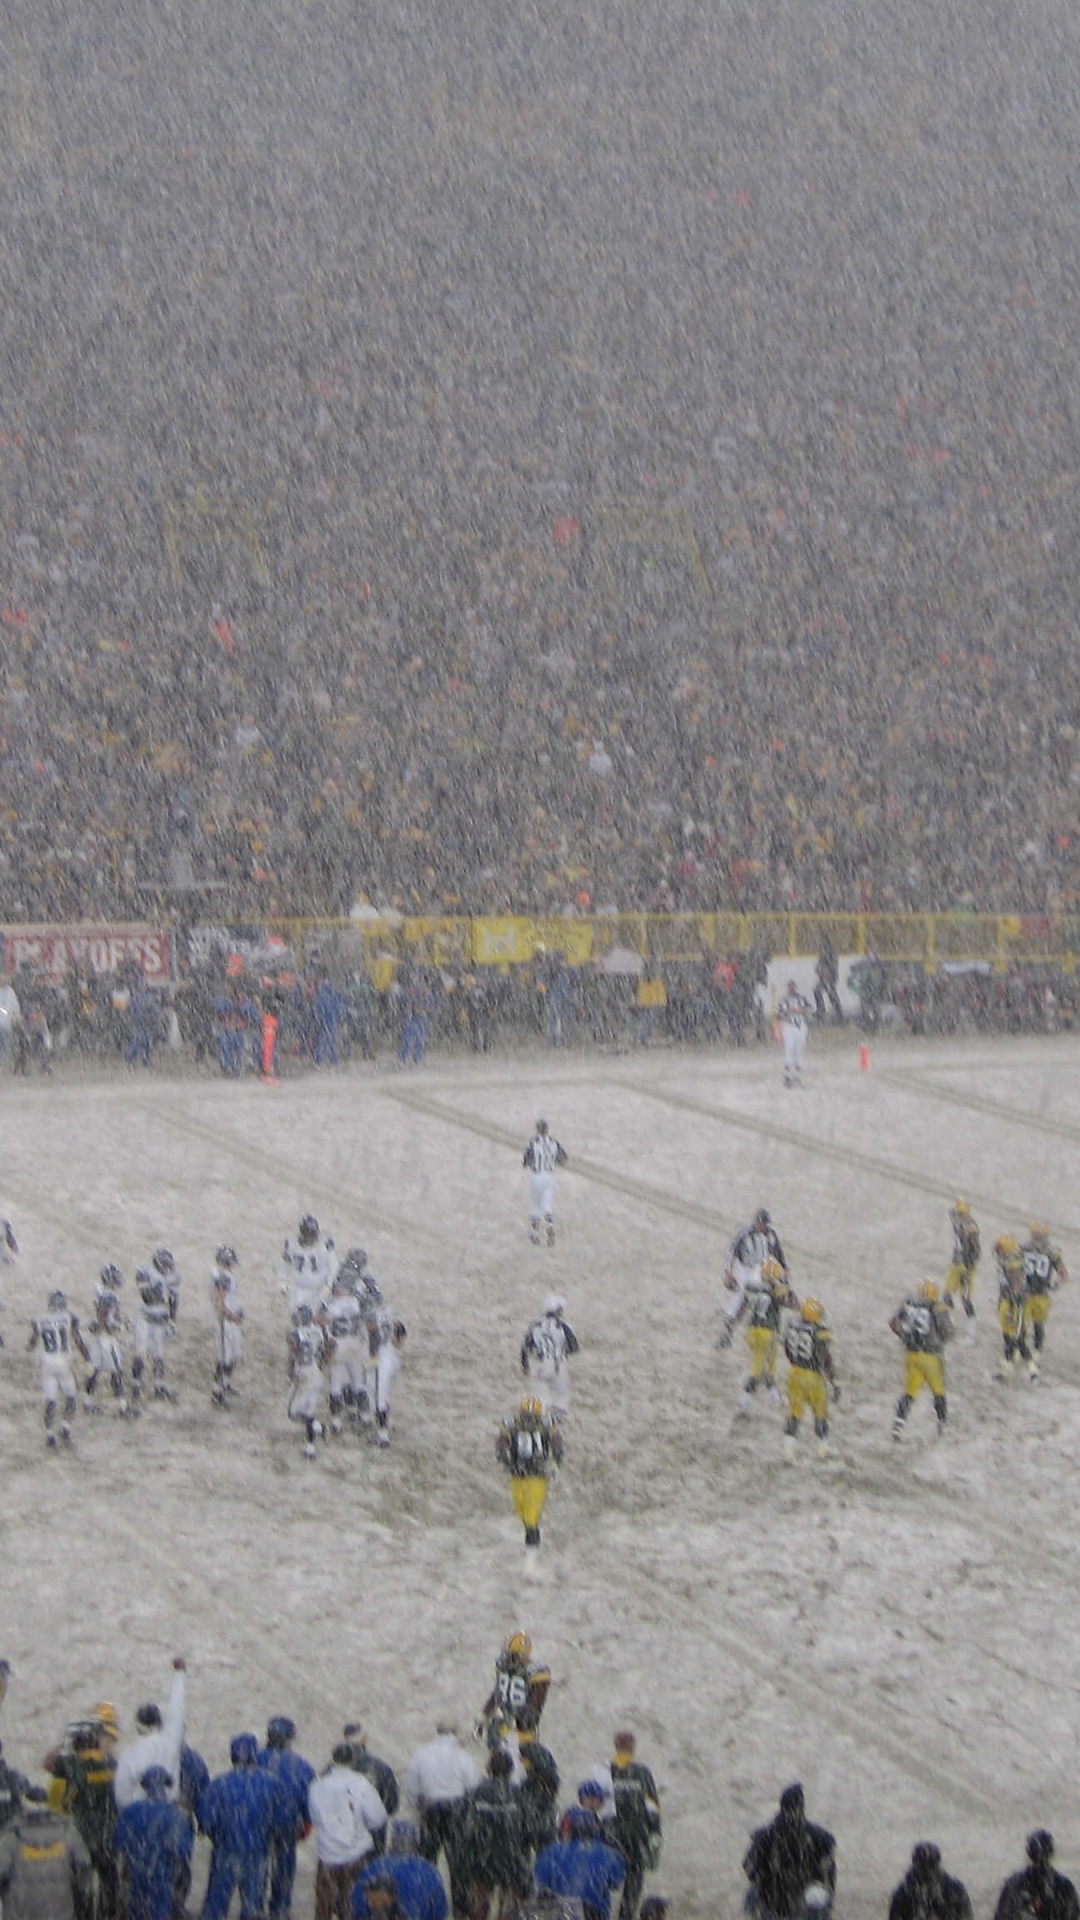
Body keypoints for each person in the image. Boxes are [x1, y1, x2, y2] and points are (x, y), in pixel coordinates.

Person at [45, 1711, 121, 1920]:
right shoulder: (111, 1764)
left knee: (81, 1886)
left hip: (82, 1837)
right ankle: (107, 1915)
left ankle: (83, 1916)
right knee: (109, 1883)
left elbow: (48, 1763)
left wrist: (61, 1742)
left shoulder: (73, 1764)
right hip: (106, 1835)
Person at [403, 1723, 479, 1920]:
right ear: (454, 1733)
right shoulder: (463, 1757)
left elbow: (412, 1787)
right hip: (456, 1813)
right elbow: (472, 1789)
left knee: (427, 1862)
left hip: (430, 1812)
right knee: (458, 1866)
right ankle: (460, 1912)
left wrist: (417, 1809)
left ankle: (427, 1906)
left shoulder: (422, 1754)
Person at [308, 1745, 388, 1920]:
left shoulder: (317, 1785)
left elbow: (314, 1818)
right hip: (356, 1854)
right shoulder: (361, 1784)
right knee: (352, 1902)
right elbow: (378, 1818)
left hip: (327, 1855)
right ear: (353, 1761)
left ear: (333, 1761)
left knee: (324, 1905)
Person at [742, 1784, 836, 1920]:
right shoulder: (767, 1838)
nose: (792, 1817)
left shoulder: (818, 1838)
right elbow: (749, 1868)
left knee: (817, 1897)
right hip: (773, 1898)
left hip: (800, 1898)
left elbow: (828, 1873)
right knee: (753, 1893)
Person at [0, 1786, 94, 1920]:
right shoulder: (69, 1833)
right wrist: (83, 1905)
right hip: (60, 1912)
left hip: (20, 1912)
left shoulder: (11, 1837)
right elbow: (84, 1871)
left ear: (23, 1807)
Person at [113, 1766, 194, 1920]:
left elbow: (118, 1843)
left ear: (145, 1786)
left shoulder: (130, 1812)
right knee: (160, 1911)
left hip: (137, 1872)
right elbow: (184, 1852)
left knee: (136, 1910)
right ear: (165, 1785)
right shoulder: (177, 1815)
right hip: (164, 1874)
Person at [459, 1748, 531, 1920]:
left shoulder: (476, 1793)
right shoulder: (519, 1794)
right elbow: (528, 1828)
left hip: (483, 1857)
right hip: (511, 1859)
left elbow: (465, 1826)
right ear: (510, 1769)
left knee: (480, 1903)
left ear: (489, 1768)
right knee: (509, 1907)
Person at [258, 1719, 316, 1920]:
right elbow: (309, 1797)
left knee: (259, 1866)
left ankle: (254, 1906)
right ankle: (280, 1909)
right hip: (287, 1822)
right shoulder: (301, 1766)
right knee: (284, 1867)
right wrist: (307, 1822)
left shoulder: (256, 1759)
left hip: (258, 1822)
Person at [113, 1659, 187, 1811]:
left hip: (139, 1815)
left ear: (138, 1727)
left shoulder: (128, 1756)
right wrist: (180, 1675)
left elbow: (121, 1797)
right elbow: (176, 1709)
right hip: (169, 1811)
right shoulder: (170, 1741)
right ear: (160, 1722)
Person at [496, 1400, 564, 1561]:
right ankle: (531, 1545)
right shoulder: (511, 1425)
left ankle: (531, 1557)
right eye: (526, 1416)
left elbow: (556, 1441)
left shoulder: (547, 1425)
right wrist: (502, 1453)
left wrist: (557, 1457)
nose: (529, 1420)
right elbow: (502, 1441)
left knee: (531, 1516)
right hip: (517, 1473)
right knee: (521, 1509)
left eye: (532, 1417)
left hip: (537, 1473)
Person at [733, 1258, 799, 1417]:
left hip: (752, 1330)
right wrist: (779, 1284)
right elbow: (793, 1303)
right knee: (758, 1369)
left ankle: (775, 1396)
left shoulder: (752, 1286)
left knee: (770, 1364)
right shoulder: (776, 1290)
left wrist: (733, 1324)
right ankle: (744, 1402)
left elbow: (742, 1306)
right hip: (767, 1332)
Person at [534, 1807, 626, 1920]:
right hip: (595, 1913)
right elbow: (615, 1882)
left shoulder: (550, 1852)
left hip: (560, 1912)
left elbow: (540, 1881)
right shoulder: (609, 1854)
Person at [889, 1280, 953, 1441]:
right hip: (930, 1356)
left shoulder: (909, 1303)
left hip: (910, 1355)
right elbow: (948, 1331)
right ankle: (943, 1424)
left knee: (909, 1392)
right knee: (938, 1391)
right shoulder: (937, 1307)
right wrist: (942, 1339)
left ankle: (898, 1425)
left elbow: (893, 1322)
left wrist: (904, 1336)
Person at [608, 1733, 661, 1920]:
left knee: (603, 1879)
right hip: (638, 1836)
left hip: (611, 1836)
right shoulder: (642, 1773)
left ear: (616, 1746)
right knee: (633, 1882)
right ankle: (625, 1916)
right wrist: (656, 1835)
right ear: (632, 1747)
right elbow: (653, 1807)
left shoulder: (606, 1770)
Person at [28, 1289, 90, 1450]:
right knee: (71, 1396)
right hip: (63, 1361)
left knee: (51, 1400)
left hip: (47, 1362)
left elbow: (32, 1344)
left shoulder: (40, 1320)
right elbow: (78, 1340)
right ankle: (65, 1427)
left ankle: (49, 1434)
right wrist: (88, 1359)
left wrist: (31, 1342)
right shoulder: (70, 1317)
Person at [720, 1210, 790, 1348]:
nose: (765, 1227)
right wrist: (728, 1272)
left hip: (763, 1270)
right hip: (745, 1269)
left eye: (766, 1225)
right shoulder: (744, 1234)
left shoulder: (771, 1235)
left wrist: (784, 1269)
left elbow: (778, 1253)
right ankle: (727, 1332)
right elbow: (731, 1252)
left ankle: (766, 1327)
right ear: (757, 1222)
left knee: (768, 1297)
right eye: (763, 1224)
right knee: (738, 1300)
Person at [352, 1822, 448, 1920]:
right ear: (416, 1843)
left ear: (391, 1842)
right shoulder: (428, 1872)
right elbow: (440, 1910)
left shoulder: (372, 1868)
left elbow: (355, 1904)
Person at [782, 1299, 839, 1462]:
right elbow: (826, 1358)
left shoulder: (792, 1325)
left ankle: (788, 1449)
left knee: (794, 1413)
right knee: (820, 1412)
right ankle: (822, 1448)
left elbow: (786, 1348)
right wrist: (834, 1382)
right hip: (812, 1376)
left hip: (794, 1373)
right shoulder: (819, 1332)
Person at [322, 1267, 370, 1437]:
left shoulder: (331, 1305)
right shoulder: (357, 1302)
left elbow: (321, 1321)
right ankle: (365, 1417)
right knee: (358, 1382)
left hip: (339, 1344)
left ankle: (336, 1422)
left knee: (335, 1384)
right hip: (355, 1343)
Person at [482, 1634, 553, 1744]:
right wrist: (485, 1717)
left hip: (522, 1731)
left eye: (513, 1656)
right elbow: (497, 1693)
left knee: (541, 1759)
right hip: (502, 1726)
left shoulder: (535, 1673)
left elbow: (534, 1707)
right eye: (508, 1655)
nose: (508, 1659)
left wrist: (523, 1721)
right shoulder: (503, 1668)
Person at [995, 1832, 1079, 1920]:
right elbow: (1073, 1915)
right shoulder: (1065, 1886)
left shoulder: (1013, 1884)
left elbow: (1001, 1915)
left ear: (1028, 1852)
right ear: (1051, 1852)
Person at [1021, 1223, 1069, 1378]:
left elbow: (1063, 1274)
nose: (1036, 1238)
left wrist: (1054, 1286)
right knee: (1021, 1323)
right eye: (1035, 1235)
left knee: (1038, 1324)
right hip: (1027, 1292)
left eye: (1039, 1235)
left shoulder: (1052, 1252)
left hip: (1041, 1294)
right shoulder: (1024, 1248)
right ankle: (1018, 1350)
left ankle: (1036, 1351)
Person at [521, 1298, 579, 1423]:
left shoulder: (535, 1325)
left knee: (540, 1396)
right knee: (562, 1394)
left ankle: (539, 1420)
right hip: (558, 1364)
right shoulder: (564, 1326)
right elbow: (574, 1347)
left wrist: (525, 1365)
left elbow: (525, 1346)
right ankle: (557, 1423)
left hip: (539, 1364)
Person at [361, 1289, 407, 1448]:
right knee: (377, 1396)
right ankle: (382, 1433)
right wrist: (398, 1343)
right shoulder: (389, 1311)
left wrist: (372, 1357)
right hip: (391, 1358)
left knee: (376, 1398)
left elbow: (373, 1335)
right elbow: (400, 1328)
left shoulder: (370, 1315)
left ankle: (383, 1437)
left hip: (379, 1360)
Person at [85, 1266, 130, 1417]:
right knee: (116, 1373)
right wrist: (123, 1326)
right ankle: (122, 1407)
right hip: (107, 1340)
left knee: (95, 1371)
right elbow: (109, 1323)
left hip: (97, 1339)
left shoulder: (101, 1293)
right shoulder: (111, 1298)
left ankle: (87, 1402)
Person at [888, 1844, 972, 1920]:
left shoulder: (955, 1890)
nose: (927, 1871)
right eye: (923, 1866)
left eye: (931, 1865)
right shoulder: (903, 1893)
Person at [288, 1304, 329, 1459]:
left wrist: (291, 1371)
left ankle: (318, 1427)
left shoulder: (295, 1333)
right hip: (317, 1373)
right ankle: (310, 1449)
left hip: (304, 1374)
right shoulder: (319, 1331)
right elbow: (328, 1348)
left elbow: (294, 1353)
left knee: (293, 1413)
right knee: (309, 1411)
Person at [131, 1267, 175, 1408]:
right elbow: (147, 1297)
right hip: (145, 1319)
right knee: (140, 1354)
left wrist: (170, 1318)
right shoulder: (147, 1274)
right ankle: (136, 1387)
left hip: (159, 1319)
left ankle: (159, 1386)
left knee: (159, 1354)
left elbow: (171, 1300)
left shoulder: (166, 1279)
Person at [342, 1727, 399, 1834]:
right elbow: (392, 1803)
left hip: (342, 1831)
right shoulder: (381, 1767)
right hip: (373, 1831)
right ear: (364, 1740)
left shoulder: (331, 1770)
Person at [993, 1235, 1033, 1383]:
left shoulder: (1014, 1264)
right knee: (1009, 1338)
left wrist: (1011, 1307)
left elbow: (1016, 1287)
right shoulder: (1006, 1260)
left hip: (1015, 1303)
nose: (997, 1251)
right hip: (1007, 1300)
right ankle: (1007, 1371)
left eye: (1000, 1248)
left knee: (1016, 1340)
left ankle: (1032, 1372)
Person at [523, 1120, 568, 1248]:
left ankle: (535, 1233)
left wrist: (530, 1163)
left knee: (535, 1204)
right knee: (547, 1204)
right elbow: (563, 1159)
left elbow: (526, 1160)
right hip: (550, 1176)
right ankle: (550, 1225)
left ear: (537, 1129)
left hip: (536, 1176)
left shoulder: (532, 1143)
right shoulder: (554, 1142)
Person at [282, 1216, 339, 1317]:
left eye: (312, 1234)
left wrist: (329, 1284)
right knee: (296, 1316)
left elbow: (334, 1266)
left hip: (318, 1288)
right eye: (308, 1234)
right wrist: (282, 1280)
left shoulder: (324, 1244)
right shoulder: (292, 1243)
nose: (310, 1237)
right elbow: (285, 1263)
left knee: (316, 1316)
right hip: (298, 1287)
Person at [211, 1248, 245, 1407]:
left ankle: (225, 1383)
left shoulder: (226, 1276)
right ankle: (217, 1393)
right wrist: (232, 1316)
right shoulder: (223, 1278)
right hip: (225, 1323)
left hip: (232, 1322)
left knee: (235, 1355)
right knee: (225, 1359)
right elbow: (219, 1302)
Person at [943, 1201, 980, 1328]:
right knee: (947, 1295)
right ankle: (950, 1324)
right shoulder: (959, 1223)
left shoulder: (971, 1228)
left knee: (965, 1299)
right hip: (956, 1263)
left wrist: (968, 1269)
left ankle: (971, 1332)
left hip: (966, 1266)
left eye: (959, 1213)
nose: (956, 1215)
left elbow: (976, 1251)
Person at [776, 981, 811, 1089]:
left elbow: (812, 1009)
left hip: (801, 1027)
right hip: (789, 1026)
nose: (791, 989)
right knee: (789, 1049)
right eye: (789, 987)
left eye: (793, 987)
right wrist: (789, 1011)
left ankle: (797, 1075)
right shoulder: (784, 1000)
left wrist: (802, 1010)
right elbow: (779, 1013)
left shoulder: (802, 999)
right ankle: (787, 1075)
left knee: (799, 1050)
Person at [813, 939, 843, 1025]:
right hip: (824, 977)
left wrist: (828, 974)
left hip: (830, 977)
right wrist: (819, 970)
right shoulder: (823, 956)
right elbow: (819, 965)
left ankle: (838, 1012)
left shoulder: (831, 955)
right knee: (818, 992)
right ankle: (821, 1010)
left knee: (831, 994)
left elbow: (833, 966)